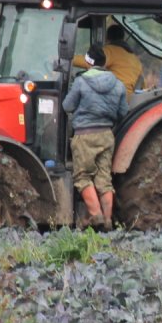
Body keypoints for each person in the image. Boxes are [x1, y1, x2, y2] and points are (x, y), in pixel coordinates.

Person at [62, 44, 128, 230]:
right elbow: (123, 111)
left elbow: (67, 106)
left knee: (83, 177)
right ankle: (107, 221)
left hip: (85, 135)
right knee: (104, 179)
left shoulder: (81, 82)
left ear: (88, 62)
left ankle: (96, 215)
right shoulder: (118, 84)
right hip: (107, 136)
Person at [73, 24, 143, 95]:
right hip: (127, 101)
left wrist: (70, 58)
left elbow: (90, 62)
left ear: (107, 38)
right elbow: (142, 85)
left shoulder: (111, 51)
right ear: (123, 38)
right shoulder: (135, 60)